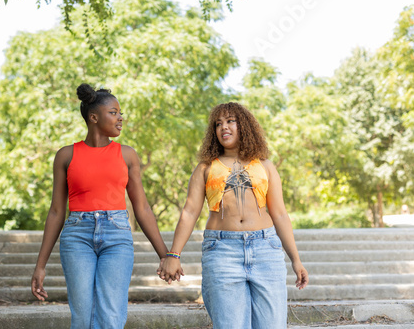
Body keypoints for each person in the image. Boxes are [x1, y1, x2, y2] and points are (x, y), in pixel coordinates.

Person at [158, 102, 309, 329]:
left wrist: (296, 260)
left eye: (230, 121)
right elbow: (190, 212)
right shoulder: (205, 167)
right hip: (221, 251)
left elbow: (279, 214)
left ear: (244, 126)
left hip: (265, 249)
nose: (223, 127)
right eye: (218, 124)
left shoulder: (265, 166)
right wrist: (173, 254)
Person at [31, 83, 169, 329]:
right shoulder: (66, 155)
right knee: (83, 317)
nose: (120, 118)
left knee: (111, 317)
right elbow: (56, 212)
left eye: (120, 113)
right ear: (93, 117)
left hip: (117, 236)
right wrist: (40, 265)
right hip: (76, 236)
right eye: (114, 112)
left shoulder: (127, 155)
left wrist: (165, 255)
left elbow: (143, 208)